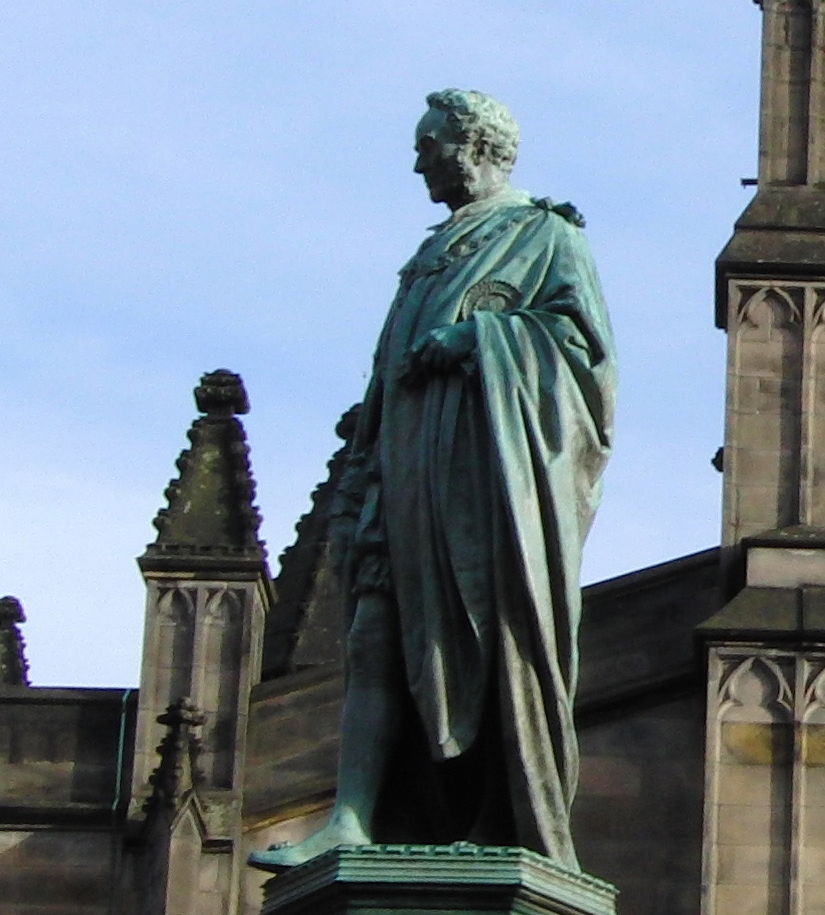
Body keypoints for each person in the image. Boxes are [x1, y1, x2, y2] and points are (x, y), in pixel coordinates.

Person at [259, 90, 615, 871]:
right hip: (400, 469)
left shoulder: (544, 235)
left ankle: (498, 814)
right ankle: (351, 819)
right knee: (371, 639)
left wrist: (478, 338)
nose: (419, 160)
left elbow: (584, 361)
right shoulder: (430, 251)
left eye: (430, 144)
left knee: (487, 649)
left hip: (480, 489)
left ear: (476, 145)